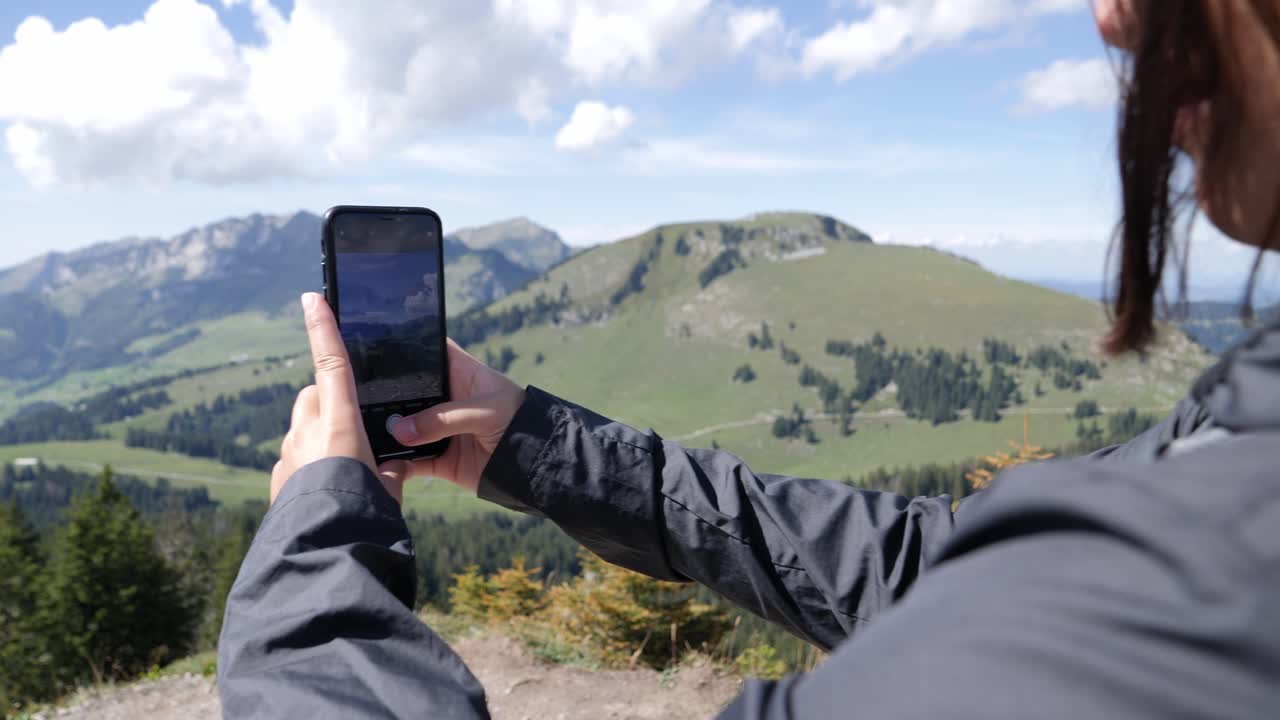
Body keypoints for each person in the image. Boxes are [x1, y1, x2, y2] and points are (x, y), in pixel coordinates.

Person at [218, 1, 1280, 717]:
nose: (1112, 16)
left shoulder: (1203, 568)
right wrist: (538, 444)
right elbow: (941, 568)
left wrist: (315, 553)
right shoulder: (1226, 457)